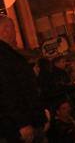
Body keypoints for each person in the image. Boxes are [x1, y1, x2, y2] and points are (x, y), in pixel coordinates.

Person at [0, 15, 47, 143]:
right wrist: (22, 123)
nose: (15, 32)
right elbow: (6, 92)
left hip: (25, 120)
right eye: (13, 28)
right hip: (22, 125)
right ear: (5, 30)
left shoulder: (9, 54)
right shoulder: (4, 56)